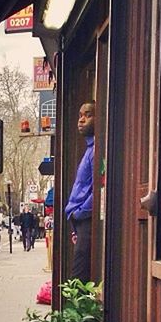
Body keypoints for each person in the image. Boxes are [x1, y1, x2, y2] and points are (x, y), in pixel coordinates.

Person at [65, 102, 95, 282]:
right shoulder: (90, 150)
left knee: (78, 278)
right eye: (80, 115)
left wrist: (79, 212)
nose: (81, 120)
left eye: (88, 115)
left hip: (87, 221)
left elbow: (100, 187)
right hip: (80, 220)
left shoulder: (97, 150)